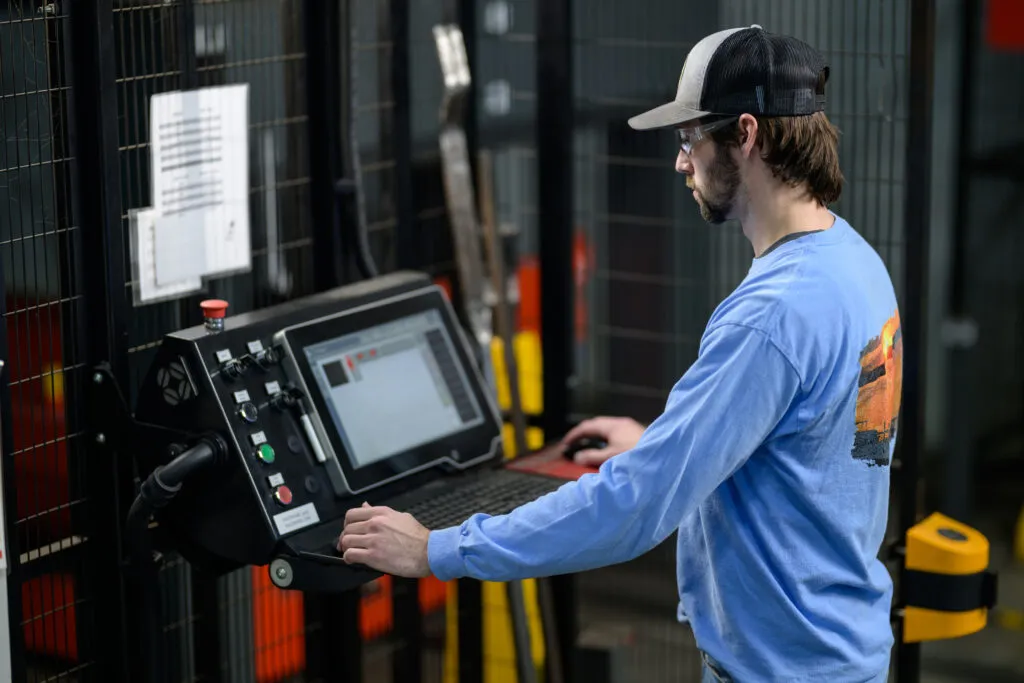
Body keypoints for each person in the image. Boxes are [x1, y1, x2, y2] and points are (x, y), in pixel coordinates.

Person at [339, 24, 900, 682]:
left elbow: (634, 508)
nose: (682, 163)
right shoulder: (853, 263)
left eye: (690, 138)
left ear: (746, 134)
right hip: (841, 653)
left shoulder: (772, 314)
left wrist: (437, 549)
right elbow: (813, 452)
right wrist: (664, 443)